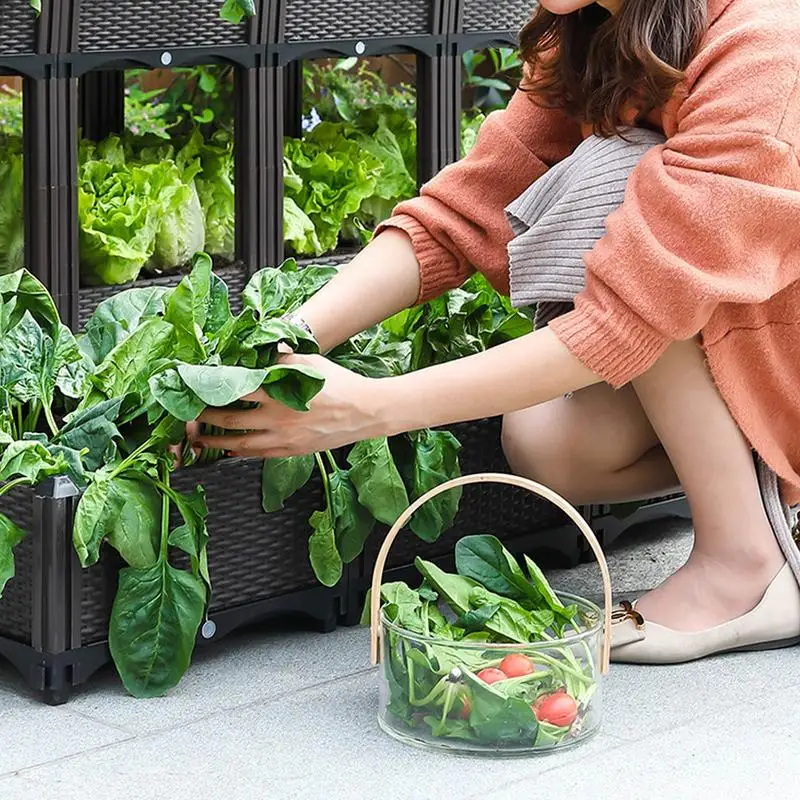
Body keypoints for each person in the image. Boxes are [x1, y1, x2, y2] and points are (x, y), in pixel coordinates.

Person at [195, 0, 800, 663]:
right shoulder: (592, 25)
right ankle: (773, 489)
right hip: (743, 341)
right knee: (548, 445)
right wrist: (285, 341)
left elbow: (625, 319)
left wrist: (368, 410)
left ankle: (745, 562)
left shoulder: (765, 46)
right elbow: (463, 214)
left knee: (618, 180)